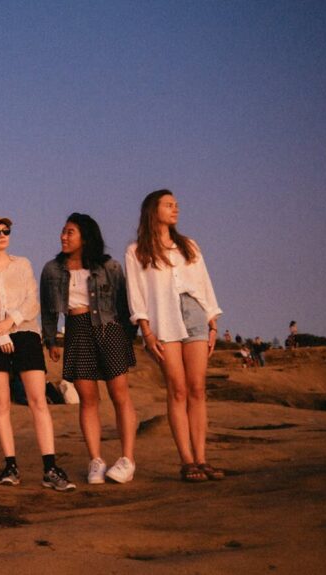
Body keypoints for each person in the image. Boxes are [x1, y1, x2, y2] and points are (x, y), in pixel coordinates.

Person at [0, 215, 75, 492]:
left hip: (26, 334)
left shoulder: (23, 264)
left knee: (38, 400)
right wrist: (0, 333)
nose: (2, 235)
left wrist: (11, 321)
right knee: (1, 403)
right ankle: (10, 465)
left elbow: (32, 301)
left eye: (6, 231)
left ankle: (50, 467)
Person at [126, 189, 224, 483]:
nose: (175, 208)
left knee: (197, 388)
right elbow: (136, 293)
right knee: (177, 388)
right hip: (163, 319)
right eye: (168, 205)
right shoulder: (137, 251)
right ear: (153, 210)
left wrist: (212, 322)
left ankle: (202, 458)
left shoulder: (188, 245)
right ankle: (187, 461)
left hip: (195, 314)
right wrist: (146, 330)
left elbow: (203, 282)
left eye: (176, 205)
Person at [41, 213, 138, 485]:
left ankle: (127, 459)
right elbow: (47, 308)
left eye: (70, 231)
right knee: (88, 399)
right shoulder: (52, 269)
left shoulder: (110, 266)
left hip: (109, 329)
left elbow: (124, 304)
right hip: (76, 330)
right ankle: (96, 459)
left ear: (85, 237)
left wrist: (126, 337)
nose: (63, 236)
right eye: (63, 231)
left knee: (120, 395)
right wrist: (50, 340)